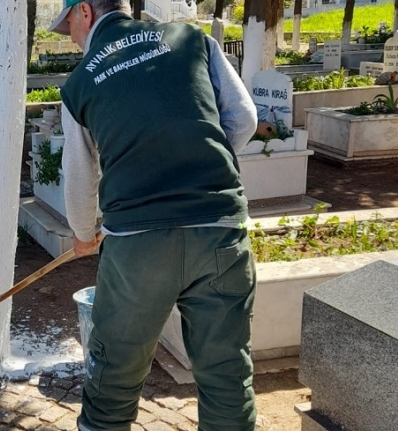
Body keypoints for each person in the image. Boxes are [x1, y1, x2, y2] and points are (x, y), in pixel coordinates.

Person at [48, 1, 258, 430]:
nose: (70, 36)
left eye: (68, 22)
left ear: (84, 11)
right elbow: (244, 118)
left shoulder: (82, 81)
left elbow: (80, 177)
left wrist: (84, 235)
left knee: (114, 380)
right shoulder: (192, 40)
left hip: (136, 245)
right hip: (217, 231)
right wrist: (197, 165)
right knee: (226, 379)